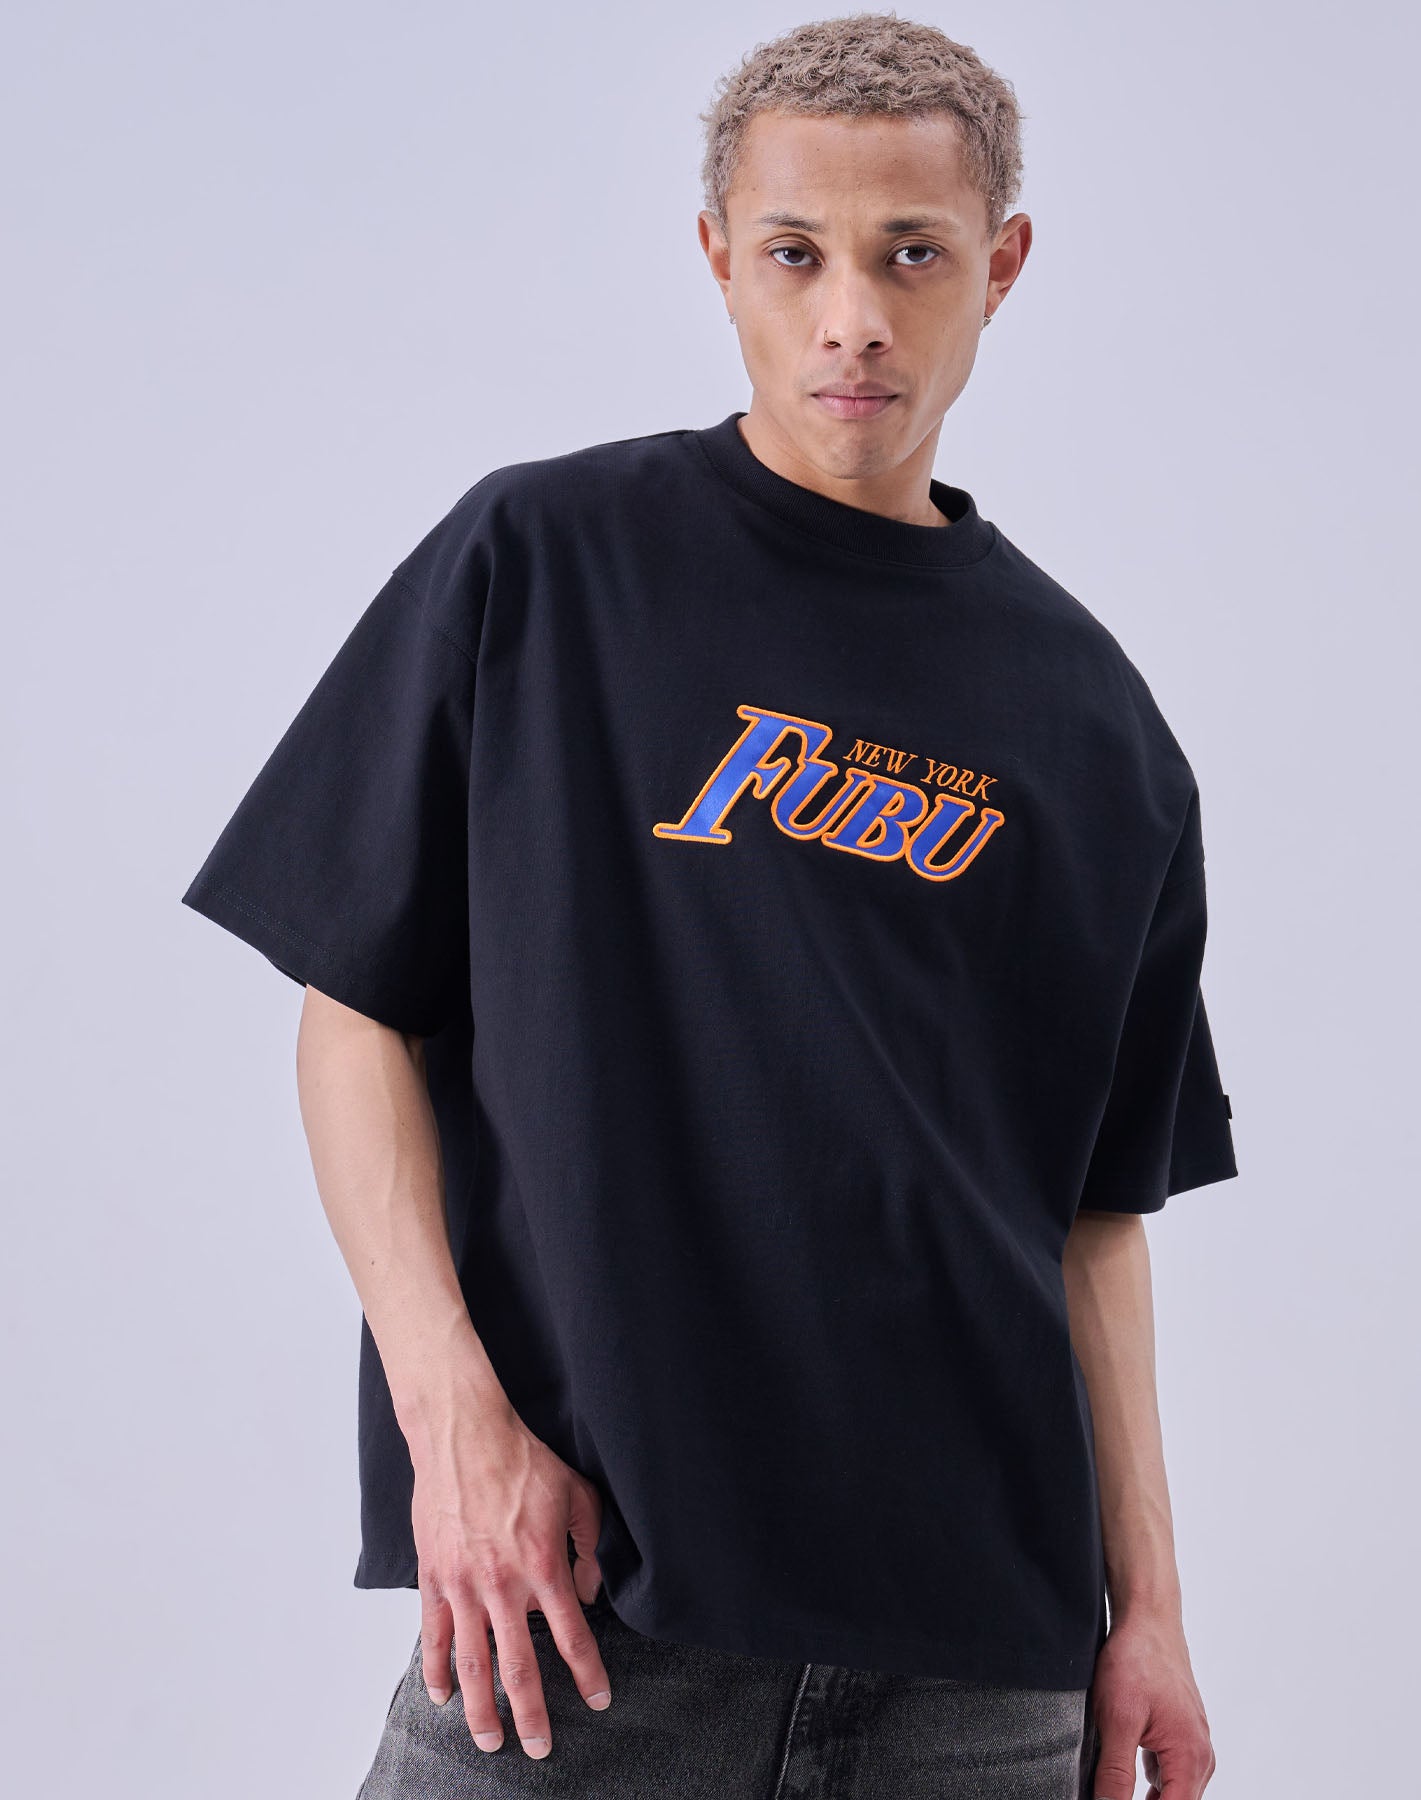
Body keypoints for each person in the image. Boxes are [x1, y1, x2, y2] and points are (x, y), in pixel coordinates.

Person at [181, 15, 1237, 1799]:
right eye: (797, 254)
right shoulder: (542, 564)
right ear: (718, 259)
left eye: (914, 254)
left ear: (1003, 266)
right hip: (586, 1623)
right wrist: (455, 1428)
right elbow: (356, 1010)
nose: (854, 317)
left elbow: (1095, 1214)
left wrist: (1154, 1608)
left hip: (982, 1675)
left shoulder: (1094, 719)